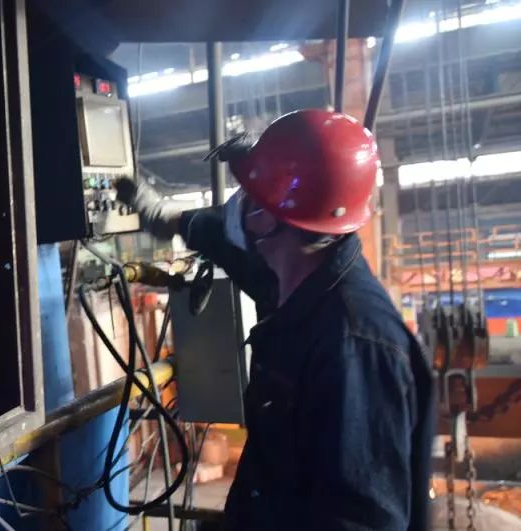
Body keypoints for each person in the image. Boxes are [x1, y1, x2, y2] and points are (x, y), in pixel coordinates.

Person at [117, 109, 434, 531]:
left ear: (274, 219)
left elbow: (359, 520)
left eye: (251, 195)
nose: (237, 205)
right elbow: (224, 239)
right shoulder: (294, 280)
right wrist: (170, 219)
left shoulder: (353, 344)